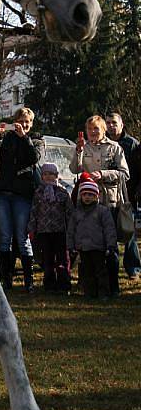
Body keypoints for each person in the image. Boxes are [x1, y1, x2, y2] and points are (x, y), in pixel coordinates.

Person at [70, 114, 129, 294]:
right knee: (88, 245)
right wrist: (77, 152)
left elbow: (124, 174)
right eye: (89, 129)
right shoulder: (83, 147)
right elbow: (74, 169)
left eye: (96, 128)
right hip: (87, 203)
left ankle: (113, 287)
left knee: (109, 245)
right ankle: (90, 287)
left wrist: (103, 174)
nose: (92, 132)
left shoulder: (115, 148)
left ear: (103, 129)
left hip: (108, 201)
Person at [0, 107, 42, 292]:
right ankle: (7, 279)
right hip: (3, 193)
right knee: (5, 237)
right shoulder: (7, 139)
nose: (24, 125)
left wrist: (24, 138)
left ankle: (29, 281)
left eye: (27, 122)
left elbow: (34, 158)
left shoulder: (35, 140)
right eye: (21, 121)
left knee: (22, 237)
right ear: (15, 122)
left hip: (22, 195)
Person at [67, 179, 118, 299]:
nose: (87, 197)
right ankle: (89, 293)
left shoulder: (102, 211)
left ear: (96, 196)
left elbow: (109, 229)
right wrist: (70, 246)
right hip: (83, 248)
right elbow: (71, 231)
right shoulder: (76, 213)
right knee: (87, 272)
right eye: (84, 194)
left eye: (90, 194)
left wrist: (110, 245)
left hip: (99, 247)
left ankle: (103, 293)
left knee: (101, 272)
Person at [105, 111, 141, 278]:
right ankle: (108, 265)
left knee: (129, 232)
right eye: (108, 123)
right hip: (108, 195)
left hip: (128, 194)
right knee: (109, 231)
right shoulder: (102, 142)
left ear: (121, 124)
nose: (111, 126)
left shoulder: (131, 144)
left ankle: (133, 267)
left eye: (114, 122)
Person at [27, 162, 73, 293]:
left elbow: (70, 213)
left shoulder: (63, 192)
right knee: (47, 260)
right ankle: (49, 285)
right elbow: (34, 212)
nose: (48, 177)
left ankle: (64, 285)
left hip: (60, 231)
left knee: (63, 259)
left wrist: (71, 231)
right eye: (45, 174)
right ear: (41, 176)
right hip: (43, 232)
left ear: (57, 176)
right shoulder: (38, 193)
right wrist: (31, 229)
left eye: (51, 174)